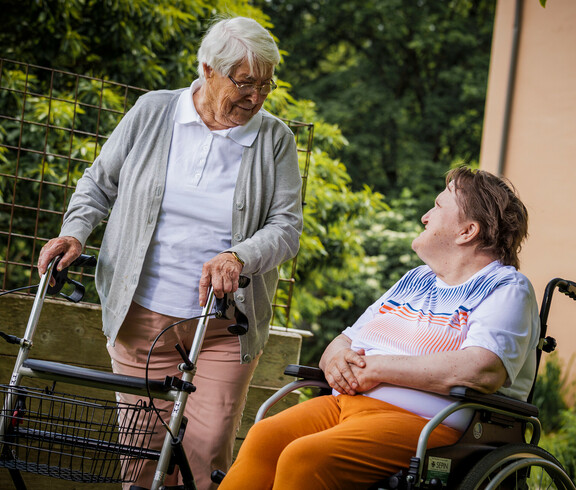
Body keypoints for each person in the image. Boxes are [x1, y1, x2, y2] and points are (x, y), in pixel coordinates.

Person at [37, 16, 303, 490]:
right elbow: (98, 184)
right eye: (244, 83)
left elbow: (286, 228)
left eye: (266, 85)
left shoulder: (275, 138)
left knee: (206, 459)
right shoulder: (153, 112)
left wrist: (238, 256)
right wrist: (75, 232)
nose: (256, 98)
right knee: (139, 460)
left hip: (224, 326)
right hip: (142, 320)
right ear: (207, 69)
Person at [219, 167, 540, 490]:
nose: (425, 217)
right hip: (345, 405)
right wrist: (336, 360)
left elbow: (481, 369)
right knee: (265, 436)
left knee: (306, 456)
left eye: (438, 207)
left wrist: (378, 370)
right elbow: (345, 339)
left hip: (426, 423)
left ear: (467, 231)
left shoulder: (505, 288)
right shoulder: (416, 279)